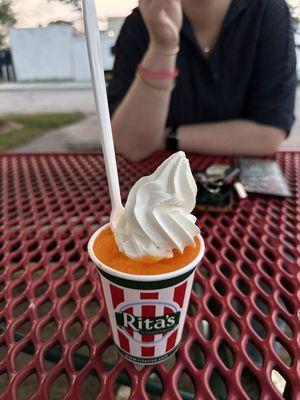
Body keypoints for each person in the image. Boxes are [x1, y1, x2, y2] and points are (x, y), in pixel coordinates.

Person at [108, 0, 297, 161]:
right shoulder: (142, 23)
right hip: (155, 181)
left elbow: (268, 135)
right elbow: (132, 145)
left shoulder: (266, 10)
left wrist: (168, 138)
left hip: (243, 183)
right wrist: (162, 46)